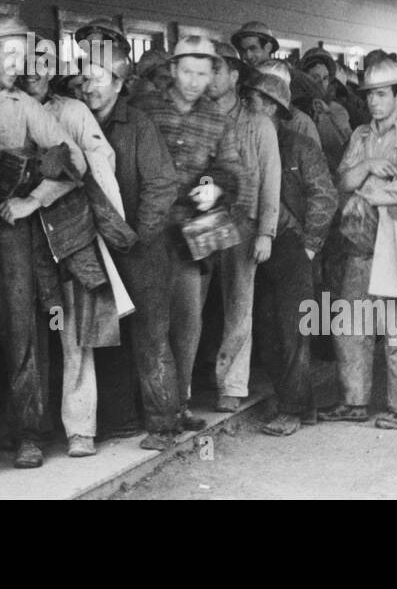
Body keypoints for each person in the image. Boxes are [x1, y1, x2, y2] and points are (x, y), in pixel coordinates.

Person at [0, 16, 88, 470]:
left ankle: (28, 434)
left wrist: (33, 201)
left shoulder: (22, 106)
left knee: (20, 331)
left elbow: (73, 162)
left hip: (7, 231)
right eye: (11, 54)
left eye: (24, 55)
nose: (19, 66)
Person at [17, 41, 126, 457]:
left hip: (68, 233)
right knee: (27, 333)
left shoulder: (73, 112)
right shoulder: (2, 108)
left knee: (74, 332)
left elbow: (100, 160)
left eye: (41, 64)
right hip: (20, 235)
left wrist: (103, 222)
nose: (32, 71)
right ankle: (32, 430)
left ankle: (80, 428)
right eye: (23, 63)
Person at [324, 58, 397, 430]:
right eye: (369, 95)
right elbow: (343, 181)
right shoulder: (361, 137)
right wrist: (370, 165)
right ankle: (354, 401)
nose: (374, 102)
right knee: (350, 324)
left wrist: (382, 193)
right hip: (360, 244)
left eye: (381, 94)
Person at [135, 36, 243, 431]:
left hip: (193, 230)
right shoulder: (143, 108)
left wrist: (213, 189)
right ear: (173, 69)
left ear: (213, 73)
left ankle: (178, 405)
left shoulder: (218, 119)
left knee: (187, 321)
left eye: (203, 73)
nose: (195, 81)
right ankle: (150, 410)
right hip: (146, 228)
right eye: (187, 71)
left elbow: (232, 172)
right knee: (149, 321)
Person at [77, 47, 181, 450]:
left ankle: (163, 424)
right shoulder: (78, 123)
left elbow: (162, 184)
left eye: (100, 78)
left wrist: (138, 234)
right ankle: (121, 419)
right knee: (108, 334)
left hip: (143, 249)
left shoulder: (138, 125)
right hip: (97, 248)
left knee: (152, 336)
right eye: (85, 78)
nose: (90, 86)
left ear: (119, 85)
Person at [245, 70, 336, 436]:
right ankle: (303, 405)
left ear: (270, 106)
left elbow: (325, 197)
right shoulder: (248, 142)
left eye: (251, 101)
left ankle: (292, 410)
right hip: (263, 248)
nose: (246, 107)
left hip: (294, 248)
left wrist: (310, 247)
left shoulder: (300, 145)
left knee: (292, 332)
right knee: (268, 332)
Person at [205, 43, 281, 413]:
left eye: (215, 69)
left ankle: (231, 385)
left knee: (238, 304)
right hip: (202, 223)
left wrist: (266, 231)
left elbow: (271, 179)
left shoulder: (258, 124)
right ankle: (192, 386)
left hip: (241, 223)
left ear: (234, 76)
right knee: (197, 305)